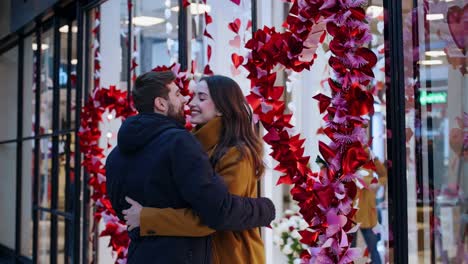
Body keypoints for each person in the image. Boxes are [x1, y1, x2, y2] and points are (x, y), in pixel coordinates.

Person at [105, 71, 275, 264]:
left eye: (201, 97)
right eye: (184, 95)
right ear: (160, 103)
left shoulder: (235, 153)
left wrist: (147, 218)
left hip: (229, 254)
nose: (189, 102)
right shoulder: (183, 145)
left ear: (222, 108)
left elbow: (217, 216)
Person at [353, 152, 387, 264]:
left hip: (367, 211)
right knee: (347, 253)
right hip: (349, 213)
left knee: (373, 249)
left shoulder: (368, 155)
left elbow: (384, 175)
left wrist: (377, 184)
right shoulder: (345, 156)